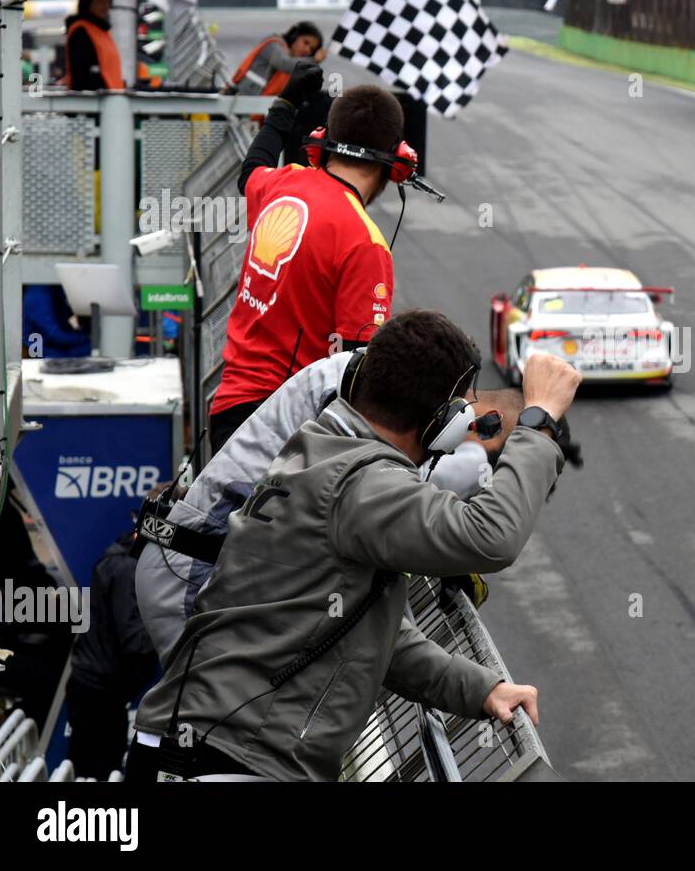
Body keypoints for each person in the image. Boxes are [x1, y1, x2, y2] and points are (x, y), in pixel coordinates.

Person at [128, 311, 581, 781]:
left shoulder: (319, 449)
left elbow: (366, 631)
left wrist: (481, 690)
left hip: (204, 749)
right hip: (223, 760)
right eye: (462, 411)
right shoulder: (359, 482)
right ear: (439, 422)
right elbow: (490, 537)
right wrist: (539, 422)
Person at [134, 349, 560, 663]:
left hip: (205, 568)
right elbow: (476, 533)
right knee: (204, 731)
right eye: (493, 456)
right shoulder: (368, 418)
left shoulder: (379, 390)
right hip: (192, 577)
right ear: (474, 423)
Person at [208, 65, 403, 454]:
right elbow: (355, 370)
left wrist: (286, 102)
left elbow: (251, 168)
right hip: (288, 432)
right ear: (399, 163)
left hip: (228, 411)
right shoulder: (365, 243)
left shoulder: (281, 183)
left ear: (321, 141)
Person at [65, 531, 159, 779]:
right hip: (98, 695)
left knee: (92, 769)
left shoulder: (124, 558)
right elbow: (134, 639)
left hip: (99, 689)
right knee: (98, 771)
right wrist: (174, 627)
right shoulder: (126, 567)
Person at [229, 21, 326, 96]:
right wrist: (314, 60)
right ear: (294, 36)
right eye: (306, 42)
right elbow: (283, 63)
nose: (307, 50)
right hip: (237, 103)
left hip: (253, 110)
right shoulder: (273, 45)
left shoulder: (293, 65)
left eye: (311, 49)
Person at [63, 0, 124, 91]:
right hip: (94, 103)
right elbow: (83, 73)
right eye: (100, 1)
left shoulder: (102, 32)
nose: (105, 6)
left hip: (111, 99)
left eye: (108, 1)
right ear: (88, 2)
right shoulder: (81, 31)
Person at [22, 285, 91, 358]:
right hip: (40, 351)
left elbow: (67, 314)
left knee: (91, 347)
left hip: (55, 343)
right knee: (91, 348)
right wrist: (87, 337)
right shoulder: (39, 294)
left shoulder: (55, 287)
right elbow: (55, 335)